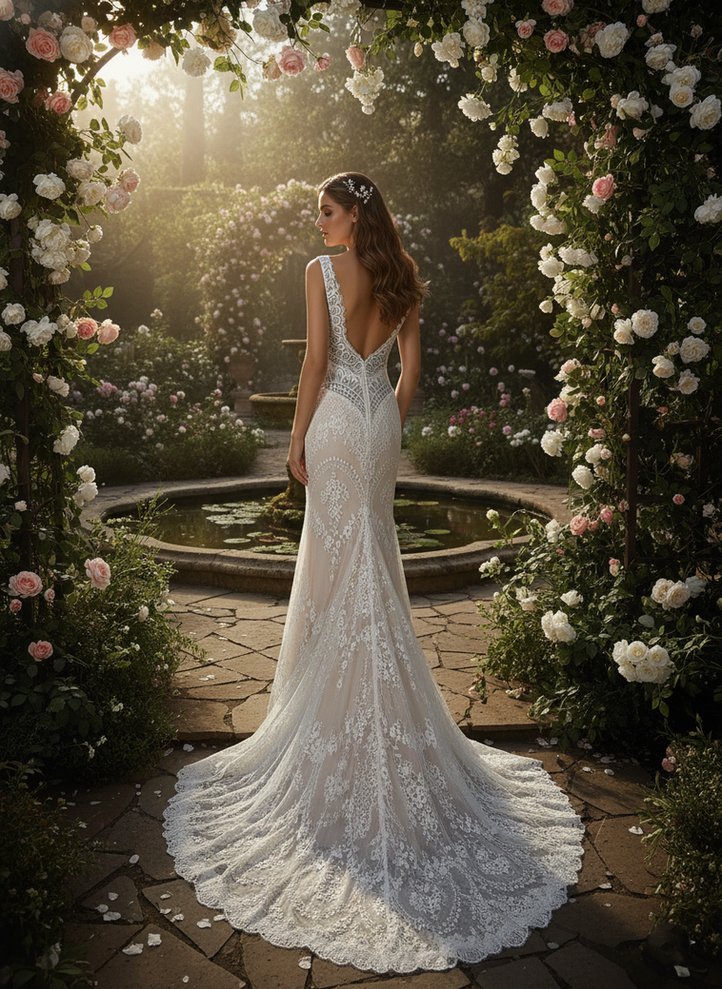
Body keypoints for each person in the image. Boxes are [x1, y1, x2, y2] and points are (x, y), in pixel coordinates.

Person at [164, 172, 583, 974]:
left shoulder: (320, 272)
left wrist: (296, 440)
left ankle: (334, 718)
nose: (316, 222)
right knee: (374, 564)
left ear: (354, 213)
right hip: (379, 424)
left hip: (332, 424)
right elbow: (410, 376)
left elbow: (316, 363)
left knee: (334, 567)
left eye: (325, 210)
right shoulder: (403, 275)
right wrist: (382, 414)